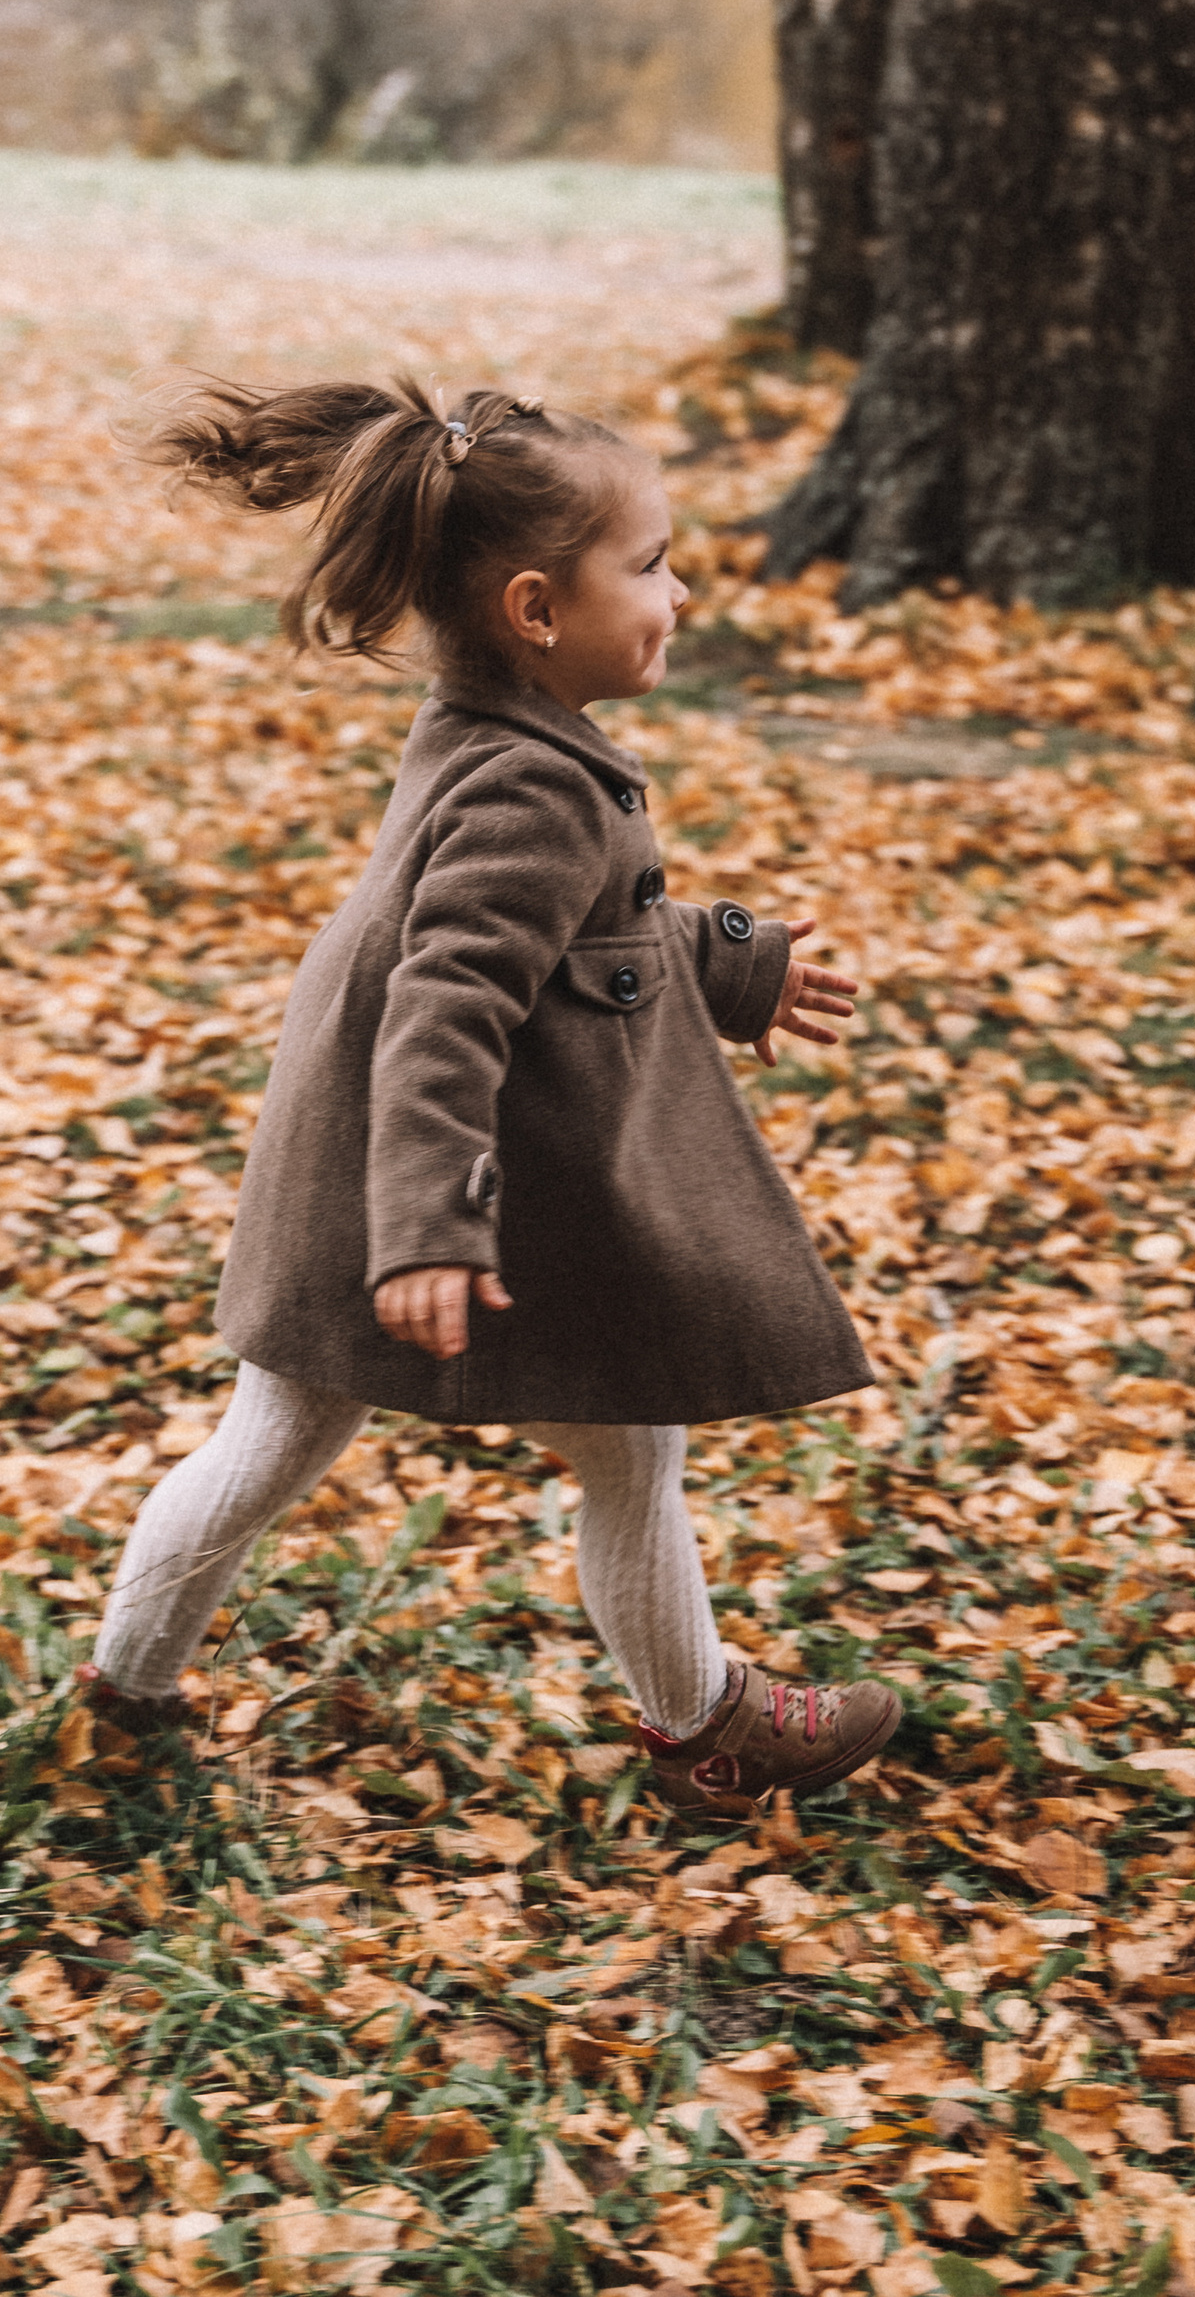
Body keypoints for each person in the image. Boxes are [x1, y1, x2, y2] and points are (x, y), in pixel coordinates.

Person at [77, 374, 899, 1816]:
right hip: (412, 1181)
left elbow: (576, 938)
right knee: (335, 1446)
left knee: (308, 1442)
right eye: (648, 567)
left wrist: (726, 963)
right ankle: (707, 1728)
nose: (681, 590)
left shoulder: (497, 740)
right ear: (536, 611)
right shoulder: (534, 785)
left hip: (371, 1162)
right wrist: (429, 1230)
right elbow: (446, 1007)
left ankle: (123, 1701)